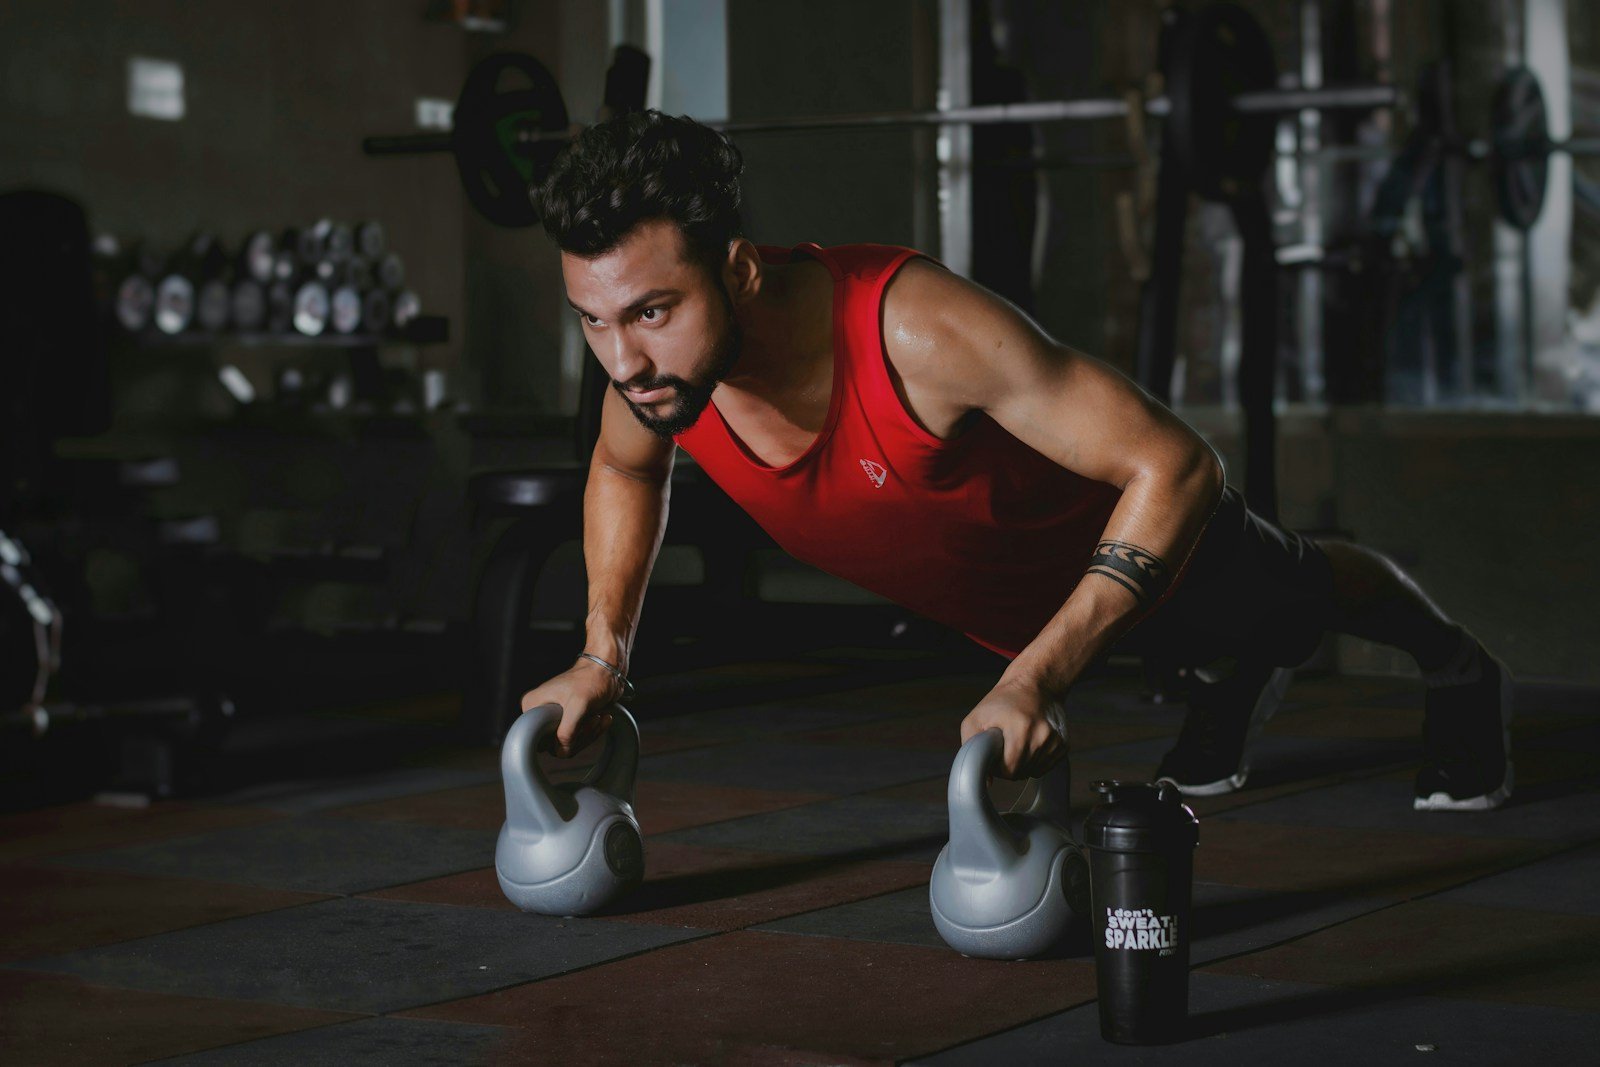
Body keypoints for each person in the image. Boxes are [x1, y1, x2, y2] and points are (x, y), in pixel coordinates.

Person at [514, 110, 1512, 812]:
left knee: (1298, 590)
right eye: (592, 321)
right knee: (1218, 653)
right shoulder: (656, 380)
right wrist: (603, 652)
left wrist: (1040, 677)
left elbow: (1178, 465)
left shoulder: (918, 333)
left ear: (736, 268)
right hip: (1015, 622)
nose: (623, 359)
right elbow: (627, 471)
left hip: (1151, 563)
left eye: (651, 311)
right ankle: (1235, 678)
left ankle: (1459, 665)